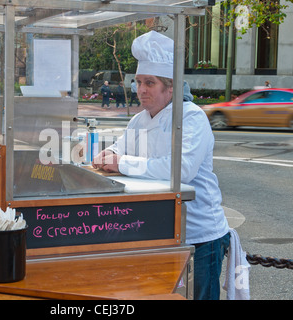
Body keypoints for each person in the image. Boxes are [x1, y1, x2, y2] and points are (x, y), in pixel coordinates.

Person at [92, 31, 230, 300]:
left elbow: (181, 170)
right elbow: (120, 147)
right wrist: (106, 153)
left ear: (170, 87)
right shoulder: (139, 120)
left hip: (199, 234)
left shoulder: (191, 118)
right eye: (139, 82)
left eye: (150, 83)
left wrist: (121, 163)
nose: (141, 89)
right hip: (159, 231)